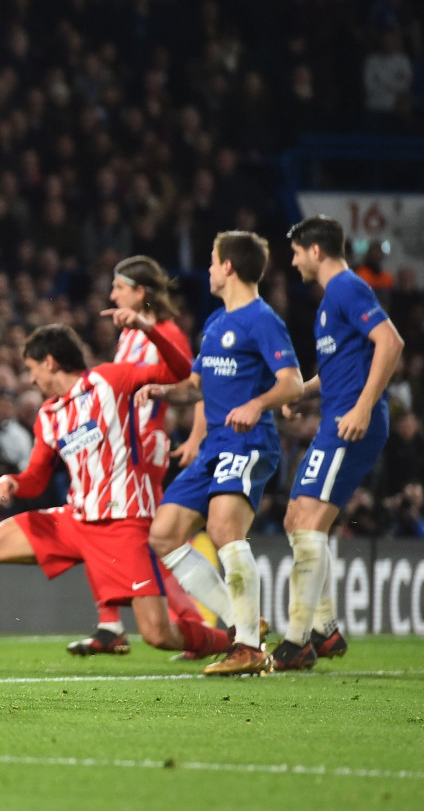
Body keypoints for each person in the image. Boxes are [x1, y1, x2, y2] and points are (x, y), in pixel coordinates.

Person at [0, 321, 232, 669]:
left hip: (124, 524)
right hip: (77, 519)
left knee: (157, 634)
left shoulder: (109, 380)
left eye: (33, 368)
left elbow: (182, 371)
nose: (31, 378)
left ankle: (232, 640)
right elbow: (36, 479)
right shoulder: (50, 414)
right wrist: (13, 482)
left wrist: (148, 328)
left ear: (50, 363)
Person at [145, 231, 303, 676]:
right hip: (215, 444)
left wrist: (256, 405)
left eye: (213, 261)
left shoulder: (261, 318)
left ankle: (249, 647)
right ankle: (243, 622)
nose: (209, 269)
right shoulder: (216, 323)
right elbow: (196, 387)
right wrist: (161, 391)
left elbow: (290, 381)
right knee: (164, 533)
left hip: (248, 444)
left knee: (222, 528)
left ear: (228, 267)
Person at [273, 216, 403, 670]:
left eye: (295, 252)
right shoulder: (333, 300)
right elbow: (338, 369)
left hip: (351, 425)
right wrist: (302, 393)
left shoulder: (347, 288)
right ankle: (324, 630)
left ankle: (297, 642)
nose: (292, 261)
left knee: (308, 522)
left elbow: (391, 341)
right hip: (337, 421)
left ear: (315, 251)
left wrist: (365, 406)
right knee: (297, 519)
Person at [67, 255, 206, 656]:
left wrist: (196, 434)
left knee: (144, 541)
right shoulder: (128, 335)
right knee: (99, 525)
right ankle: (112, 624)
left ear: (140, 292)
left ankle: (190, 625)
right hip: (121, 443)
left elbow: (194, 383)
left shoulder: (166, 332)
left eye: (120, 287)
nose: (112, 295)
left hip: (144, 446)